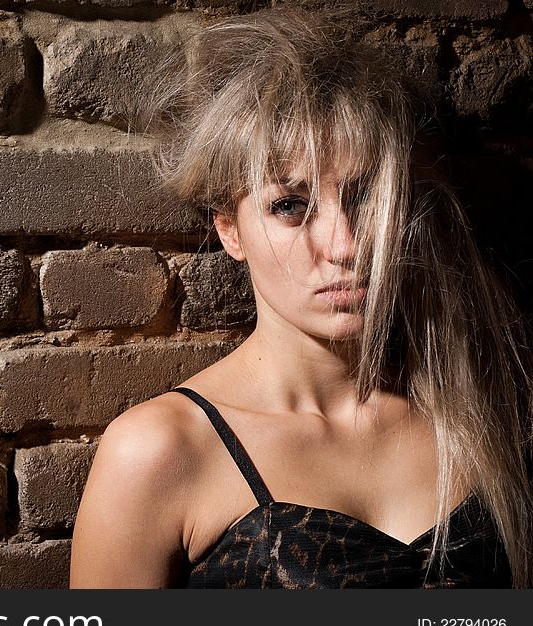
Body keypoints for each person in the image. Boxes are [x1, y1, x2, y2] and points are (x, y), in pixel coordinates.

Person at [69, 6, 533, 588]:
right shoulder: (160, 451)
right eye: (290, 205)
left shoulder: (478, 411)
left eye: (367, 197)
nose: (346, 246)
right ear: (229, 230)